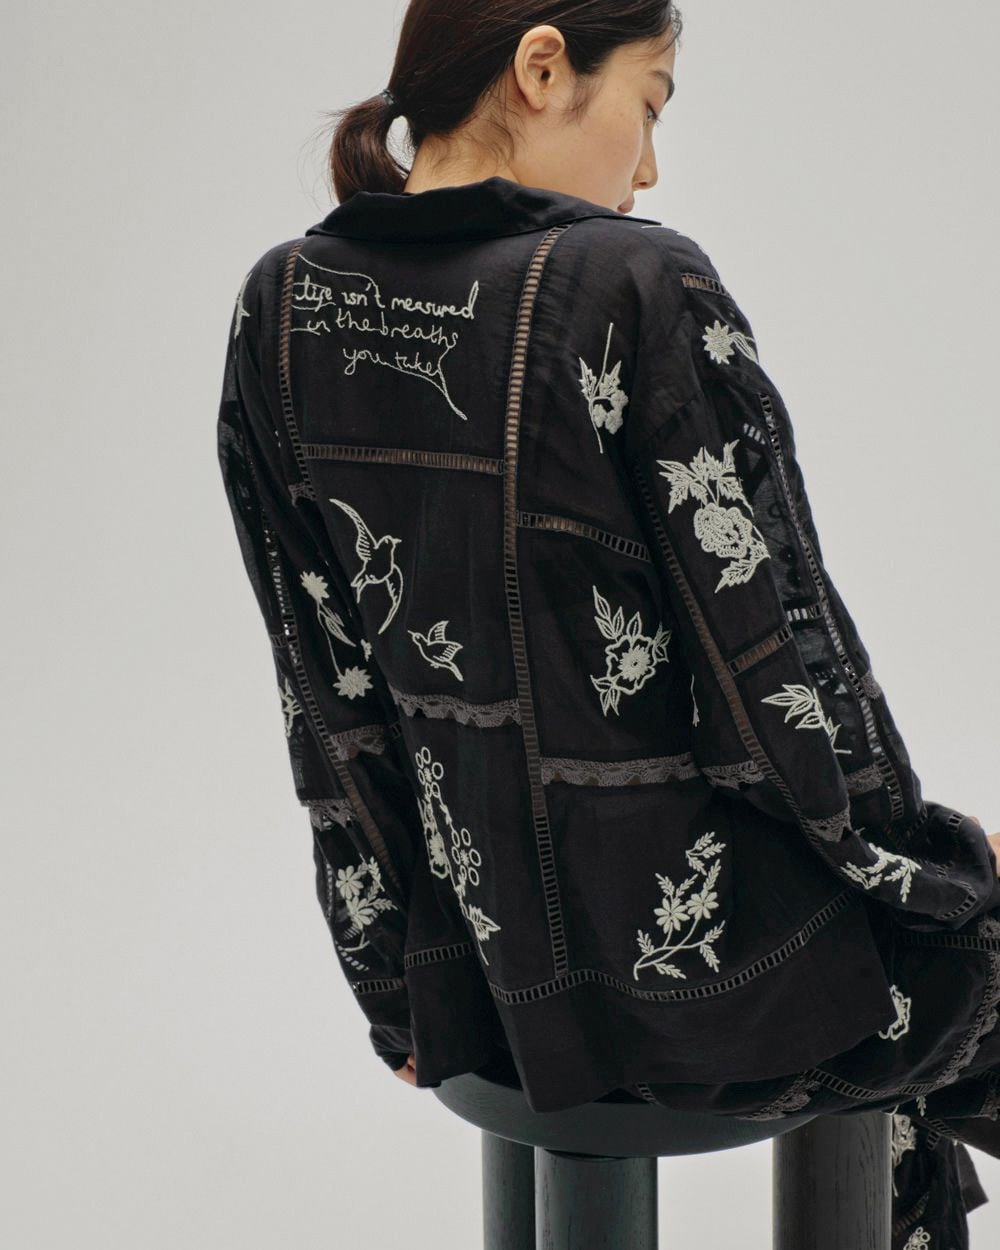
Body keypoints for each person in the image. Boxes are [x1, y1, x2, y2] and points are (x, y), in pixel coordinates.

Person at [216, 4, 1000, 1246]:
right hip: (707, 993)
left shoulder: (278, 307)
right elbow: (780, 675)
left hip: (480, 995)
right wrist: (935, 870)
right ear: (542, 68)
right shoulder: (635, 282)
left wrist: (395, 993)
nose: (648, 167)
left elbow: (328, 703)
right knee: (956, 952)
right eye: (649, 103)